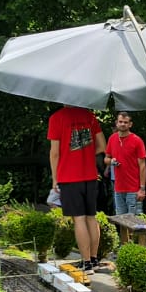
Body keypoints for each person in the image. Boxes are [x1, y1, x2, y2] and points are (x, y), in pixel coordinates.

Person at [48, 103, 106, 269]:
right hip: (90, 175)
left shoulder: (56, 118)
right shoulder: (89, 116)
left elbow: (54, 153)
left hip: (69, 176)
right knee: (91, 217)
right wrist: (86, 153)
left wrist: (55, 178)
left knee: (78, 219)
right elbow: (103, 146)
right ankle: (94, 258)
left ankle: (86, 262)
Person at [104, 111, 146, 216]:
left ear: (130, 124)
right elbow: (106, 159)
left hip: (134, 189)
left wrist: (142, 189)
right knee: (121, 221)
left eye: (125, 122)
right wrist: (111, 161)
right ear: (116, 123)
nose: (123, 124)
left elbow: (142, 165)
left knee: (135, 223)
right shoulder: (112, 138)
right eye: (120, 121)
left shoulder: (137, 140)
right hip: (118, 188)